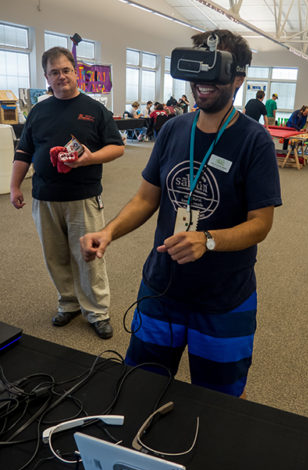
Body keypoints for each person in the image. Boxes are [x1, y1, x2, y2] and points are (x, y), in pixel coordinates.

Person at [80, 29, 281, 398]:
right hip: (162, 288)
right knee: (141, 385)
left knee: (217, 400)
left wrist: (209, 240)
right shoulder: (173, 129)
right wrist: (109, 232)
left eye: (214, 72)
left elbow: (261, 224)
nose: (202, 83)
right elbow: (145, 199)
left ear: (238, 78)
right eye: (196, 71)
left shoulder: (255, 141)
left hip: (224, 297)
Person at [10, 46, 124, 340]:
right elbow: (24, 151)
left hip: (83, 197)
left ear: (76, 72)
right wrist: (14, 186)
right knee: (56, 256)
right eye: (54, 72)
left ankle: (97, 311)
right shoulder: (39, 111)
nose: (61, 76)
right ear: (47, 77)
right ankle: (69, 302)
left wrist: (90, 158)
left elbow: (117, 147)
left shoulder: (95, 109)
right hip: (44, 197)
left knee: (89, 255)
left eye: (66, 70)